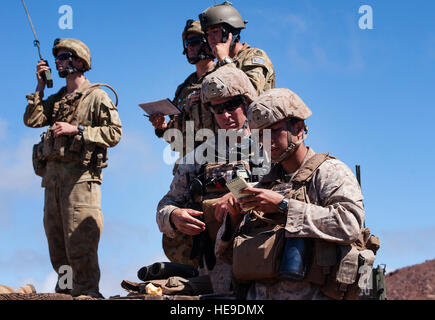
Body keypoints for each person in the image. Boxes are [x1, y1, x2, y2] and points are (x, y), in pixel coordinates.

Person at [214, 88, 378, 300]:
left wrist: (284, 206)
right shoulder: (265, 183)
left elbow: (350, 224)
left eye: (274, 131)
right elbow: (227, 255)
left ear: (298, 129)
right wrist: (234, 220)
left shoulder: (329, 172)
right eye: (260, 134)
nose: (267, 141)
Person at [24, 38, 122, 298]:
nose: (58, 61)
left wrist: (77, 129)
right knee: (58, 247)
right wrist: (40, 86)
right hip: (53, 183)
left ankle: (87, 294)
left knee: (80, 244)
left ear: (80, 61)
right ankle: (65, 295)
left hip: (81, 182)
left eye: (64, 56)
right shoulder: (57, 100)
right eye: (57, 58)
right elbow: (31, 119)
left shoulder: (96, 96)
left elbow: (114, 133)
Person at [156, 66, 265, 293]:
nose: (225, 115)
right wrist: (175, 216)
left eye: (231, 105)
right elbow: (165, 206)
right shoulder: (199, 157)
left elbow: (290, 194)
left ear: (247, 102)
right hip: (214, 272)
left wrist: (242, 194)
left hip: (263, 266)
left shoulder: (268, 147)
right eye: (216, 109)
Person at [149, 20, 219, 166]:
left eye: (195, 42)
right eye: (187, 43)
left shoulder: (223, 76)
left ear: (208, 43)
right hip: (188, 168)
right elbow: (177, 137)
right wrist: (162, 127)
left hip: (219, 163)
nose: (190, 48)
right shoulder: (184, 89)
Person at [199, 1, 276, 94]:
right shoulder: (216, 67)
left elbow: (250, 93)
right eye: (208, 34)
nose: (210, 38)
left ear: (231, 31)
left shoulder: (254, 56)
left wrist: (224, 60)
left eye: (215, 31)